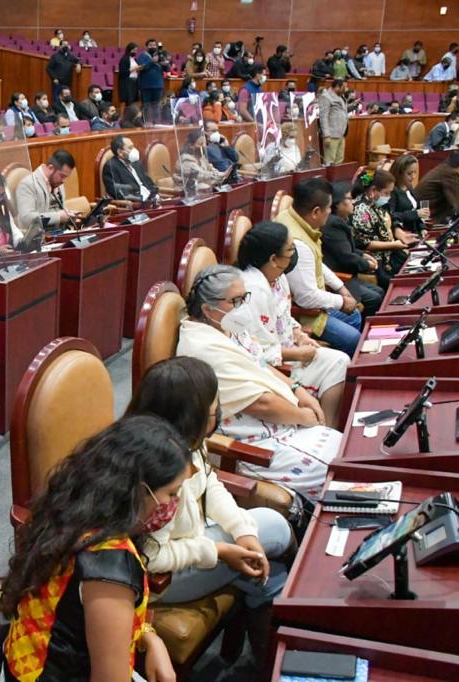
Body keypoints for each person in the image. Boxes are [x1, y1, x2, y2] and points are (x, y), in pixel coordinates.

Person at [127, 358, 292, 662]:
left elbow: (210, 483)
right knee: (276, 530)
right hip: (163, 579)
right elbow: (151, 558)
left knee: (270, 570)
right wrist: (218, 551)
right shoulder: (156, 472)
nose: (218, 414)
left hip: (192, 541)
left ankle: (271, 654)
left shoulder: (184, 441)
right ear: (192, 417)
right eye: (214, 409)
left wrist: (242, 532)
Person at [0, 416, 182, 682]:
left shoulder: (74, 510)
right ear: (141, 492)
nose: (174, 503)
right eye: (172, 493)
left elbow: (73, 615)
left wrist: (150, 638)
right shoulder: (110, 569)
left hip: (22, 666)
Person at [179, 265, 339, 498]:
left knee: (343, 448)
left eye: (244, 298)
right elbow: (259, 403)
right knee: (334, 468)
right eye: (235, 301)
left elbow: (261, 364)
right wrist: (303, 416)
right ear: (207, 309)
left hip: (279, 423)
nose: (243, 307)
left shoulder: (227, 325)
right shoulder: (202, 349)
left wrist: (298, 390)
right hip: (252, 441)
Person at [276, 177, 363, 356]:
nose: (330, 211)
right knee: (353, 338)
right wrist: (341, 302)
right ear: (316, 212)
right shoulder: (297, 243)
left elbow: (316, 261)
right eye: (329, 208)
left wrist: (340, 287)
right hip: (303, 314)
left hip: (312, 302)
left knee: (354, 314)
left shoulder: (289, 217)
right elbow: (307, 298)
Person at [323, 183, 385, 315]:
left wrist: (363, 255)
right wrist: (367, 265)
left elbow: (348, 248)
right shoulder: (333, 224)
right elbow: (345, 257)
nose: (353, 202)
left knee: (378, 291)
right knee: (374, 298)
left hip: (349, 275)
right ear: (338, 203)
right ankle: (363, 327)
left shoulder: (340, 219)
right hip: (340, 278)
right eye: (350, 199)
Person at [350, 169, 415, 289]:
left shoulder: (376, 204)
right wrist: (394, 245)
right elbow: (365, 244)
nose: (389, 197)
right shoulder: (361, 210)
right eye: (386, 193)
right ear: (374, 190)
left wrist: (400, 235)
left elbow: (390, 223)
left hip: (390, 257)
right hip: (376, 263)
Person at [16, 150, 79, 234]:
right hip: (40, 237)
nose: (63, 181)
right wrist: (59, 217)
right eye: (62, 176)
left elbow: (58, 209)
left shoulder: (58, 182)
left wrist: (68, 216)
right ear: (50, 168)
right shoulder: (28, 184)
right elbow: (26, 218)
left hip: (60, 233)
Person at [415, 148, 459, 223]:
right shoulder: (451, 175)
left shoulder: (445, 168)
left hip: (423, 213)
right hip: (429, 220)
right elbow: (457, 208)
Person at [102, 134, 157, 204]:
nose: (134, 150)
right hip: (135, 205)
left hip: (151, 201)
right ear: (120, 152)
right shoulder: (111, 166)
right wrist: (140, 200)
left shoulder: (136, 163)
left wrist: (155, 195)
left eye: (133, 147)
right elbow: (118, 193)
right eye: (130, 148)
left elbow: (149, 182)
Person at [389, 154, 430, 236]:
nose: (413, 176)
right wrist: (415, 214)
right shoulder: (392, 191)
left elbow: (416, 211)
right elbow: (391, 215)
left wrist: (422, 228)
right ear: (399, 173)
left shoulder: (409, 187)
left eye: (415, 172)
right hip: (402, 233)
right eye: (409, 173)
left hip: (415, 233)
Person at [318, 79, 349, 165]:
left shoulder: (341, 96)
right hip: (331, 134)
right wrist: (326, 135)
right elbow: (323, 117)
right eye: (344, 87)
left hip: (341, 133)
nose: (346, 89)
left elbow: (341, 111)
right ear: (337, 87)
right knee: (330, 161)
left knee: (339, 160)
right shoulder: (326, 97)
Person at [137, 38, 166, 117]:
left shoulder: (160, 55)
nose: (152, 47)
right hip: (146, 86)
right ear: (146, 47)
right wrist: (152, 61)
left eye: (154, 45)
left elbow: (167, 69)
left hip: (158, 86)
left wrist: (165, 63)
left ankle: (156, 122)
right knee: (146, 107)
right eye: (150, 45)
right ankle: (145, 122)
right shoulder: (142, 56)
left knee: (157, 107)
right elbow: (141, 68)